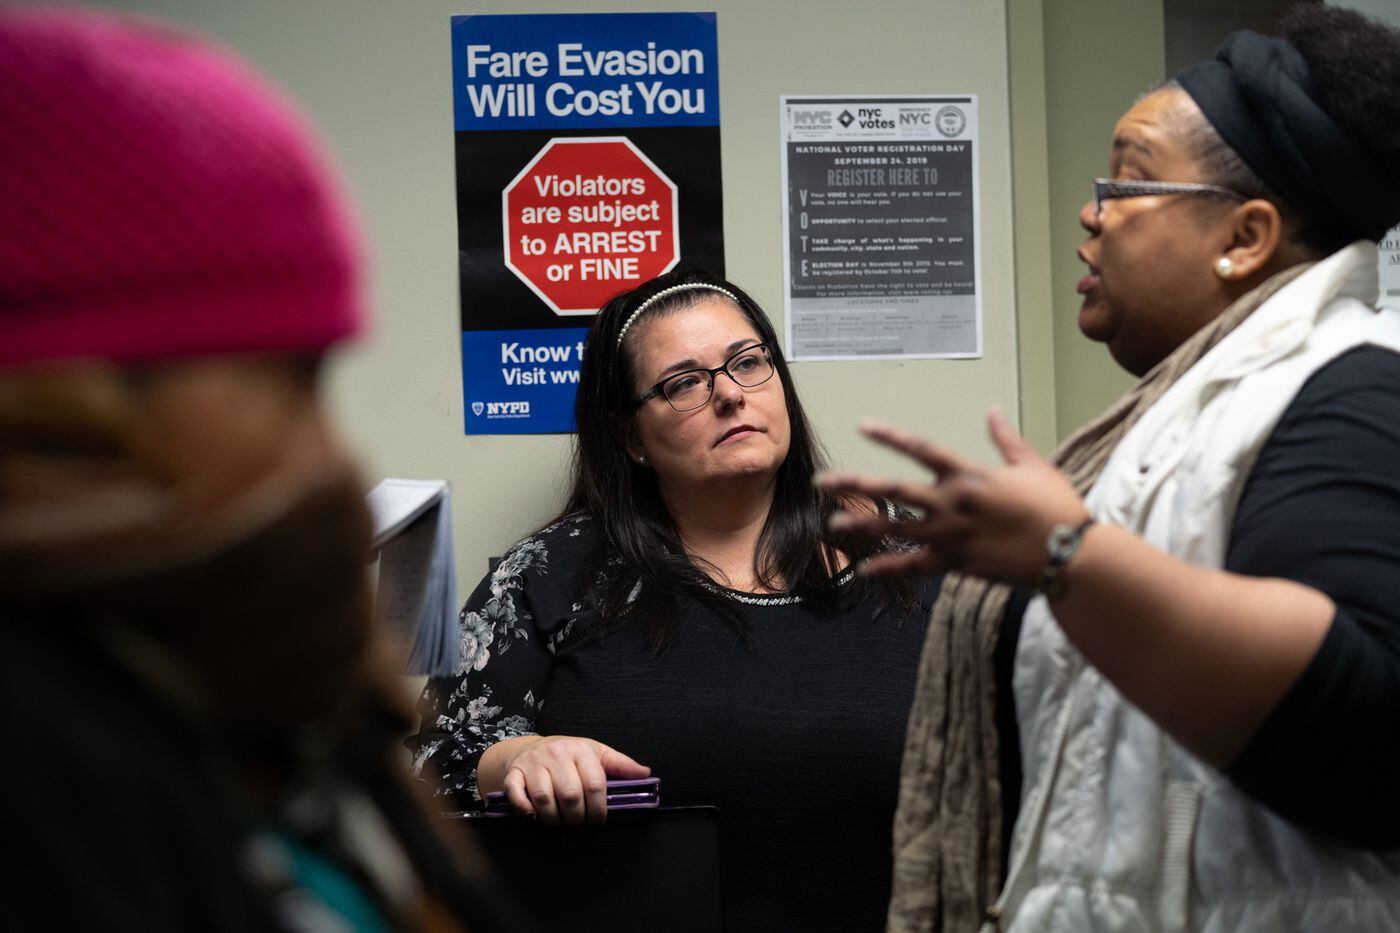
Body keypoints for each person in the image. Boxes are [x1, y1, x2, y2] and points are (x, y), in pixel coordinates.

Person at [820, 6, 1400, 932]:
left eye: (1127, 183)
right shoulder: (1181, 416)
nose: (1091, 215)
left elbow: (1368, 732)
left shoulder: (1348, 390)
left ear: (1245, 238)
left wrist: (1065, 553)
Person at [0, 9, 533, 932]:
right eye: (290, 379)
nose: (331, 453)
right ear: (74, 391)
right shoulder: (43, 756)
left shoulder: (264, 688)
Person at [412, 267, 942, 931]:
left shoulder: (907, 561)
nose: (729, 396)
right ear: (631, 437)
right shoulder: (551, 576)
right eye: (684, 382)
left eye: (749, 363)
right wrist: (514, 758)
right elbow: (424, 762)